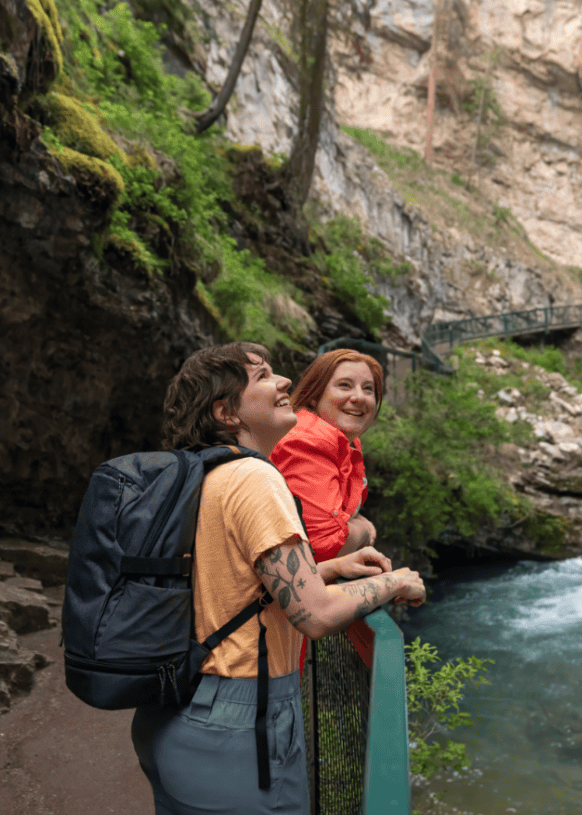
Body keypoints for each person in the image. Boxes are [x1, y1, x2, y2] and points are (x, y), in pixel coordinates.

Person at [131, 342, 425, 815]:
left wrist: (327, 569)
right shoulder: (255, 479)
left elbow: (234, 582)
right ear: (227, 412)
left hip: (175, 709)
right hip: (236, 718)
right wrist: (396, 582)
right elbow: (315, 615)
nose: (286, 381)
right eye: (264, 376)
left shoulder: (206, 470)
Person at [270, 349, 384, 563]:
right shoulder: (306, 443)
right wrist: (363, 529)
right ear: (314, 396)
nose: (359, 397)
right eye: (345, 385)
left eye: (368, 389)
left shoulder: (345, 442)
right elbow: (323, 548)